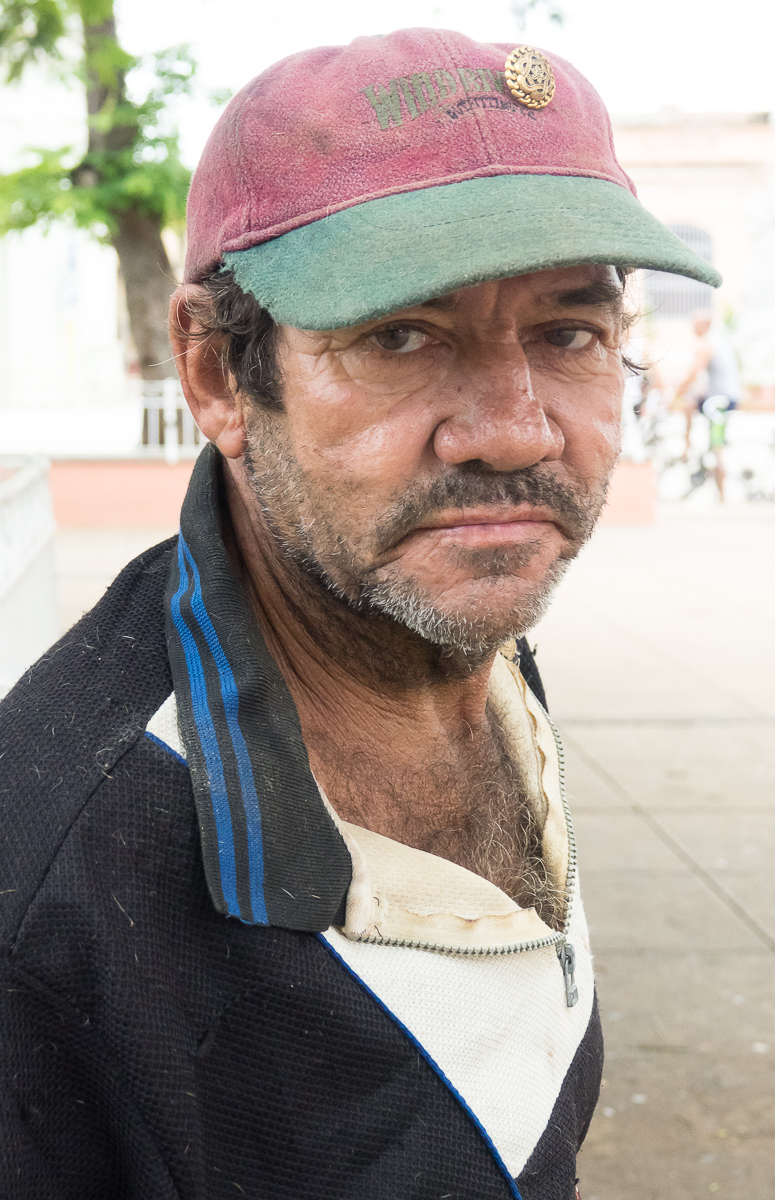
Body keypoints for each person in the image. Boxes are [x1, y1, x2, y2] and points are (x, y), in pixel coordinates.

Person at [0, 30, 719, 1200]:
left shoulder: (456, 632)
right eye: (400, 334)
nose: (514, 429)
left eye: (568, 331)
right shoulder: (50, 914)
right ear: (220, 375)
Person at [677, 309, 741, 498]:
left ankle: (722, 496)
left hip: (719, 401)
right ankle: (688, 446)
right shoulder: (719, 341)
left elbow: (694, 371)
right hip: (723, 396)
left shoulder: (706, 344)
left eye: (694, 323)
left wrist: (678, 391)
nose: (692, 327)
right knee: (693, 405)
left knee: (716, 446)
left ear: (704, 324)